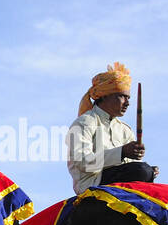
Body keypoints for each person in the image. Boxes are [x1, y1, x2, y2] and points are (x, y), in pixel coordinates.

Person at [66, 62, 154, 194]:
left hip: (119, 181)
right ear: (105, 95)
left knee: (146, 172)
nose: (127, 103)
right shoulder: (84, 122)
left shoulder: (125, 130)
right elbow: (83, 163)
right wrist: (123, 152)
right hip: (92, 185)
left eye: (128, 97)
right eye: (122, 96)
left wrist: (148, 170)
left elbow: (131, 166)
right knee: (142, 170)